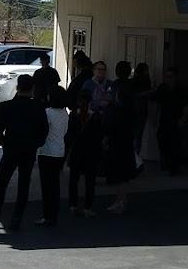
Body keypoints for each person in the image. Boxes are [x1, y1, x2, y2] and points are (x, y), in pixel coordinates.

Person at [0, 74, 48, 230]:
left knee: (2, 182)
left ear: (17, 88)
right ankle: (17, 217)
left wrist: (3, 142)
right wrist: (36, 144)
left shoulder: (7, 106)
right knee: (24, 183)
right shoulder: (38, 107)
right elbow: (44, 130)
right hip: (29, 149)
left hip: (11, 148)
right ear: (32, 89)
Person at [102, 61, 140, 214]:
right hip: (127, 130)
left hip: (117, 131)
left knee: (119, 169)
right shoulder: (131, 88)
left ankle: (120, 200)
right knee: (124, 168)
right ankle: (121, 199)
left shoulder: (116, 87)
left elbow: (112, 108)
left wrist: (106, 133)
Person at [67, 81, 104, 217]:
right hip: (91, 153)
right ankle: (87, 207)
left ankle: (73, 205)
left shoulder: (73, 117)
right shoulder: (95, 117)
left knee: (74, 180)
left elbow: (69, 136)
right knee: (90, 182)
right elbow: (100, 136)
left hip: (76, 151)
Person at [37, 86, 70, 226]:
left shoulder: (47, 113)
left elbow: (41, 130)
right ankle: (53, 214)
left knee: (46, 185)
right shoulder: (65, 113)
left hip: (46, 151)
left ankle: (47, 215)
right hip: (59, 151)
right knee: (55, 185)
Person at [150, 67, 188, 175]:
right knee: (162, 142)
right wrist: (154, 119)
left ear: (175, 77)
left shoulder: (181, 89)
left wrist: (183, 119)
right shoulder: (162, 88)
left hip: (176, 121)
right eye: (167, 76)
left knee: (175, 145)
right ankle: (165, 161)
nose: (168, 79)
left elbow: (186, 106)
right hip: (164, 120)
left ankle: (174, 167)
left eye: (171, 76)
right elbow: (157, 104)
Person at [130, 62, 153, 153]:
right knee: (138, 134)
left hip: (135, 109)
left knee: (135, 134)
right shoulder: (145, 81)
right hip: (141, 109)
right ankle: (136, 155)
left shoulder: (134, 81)